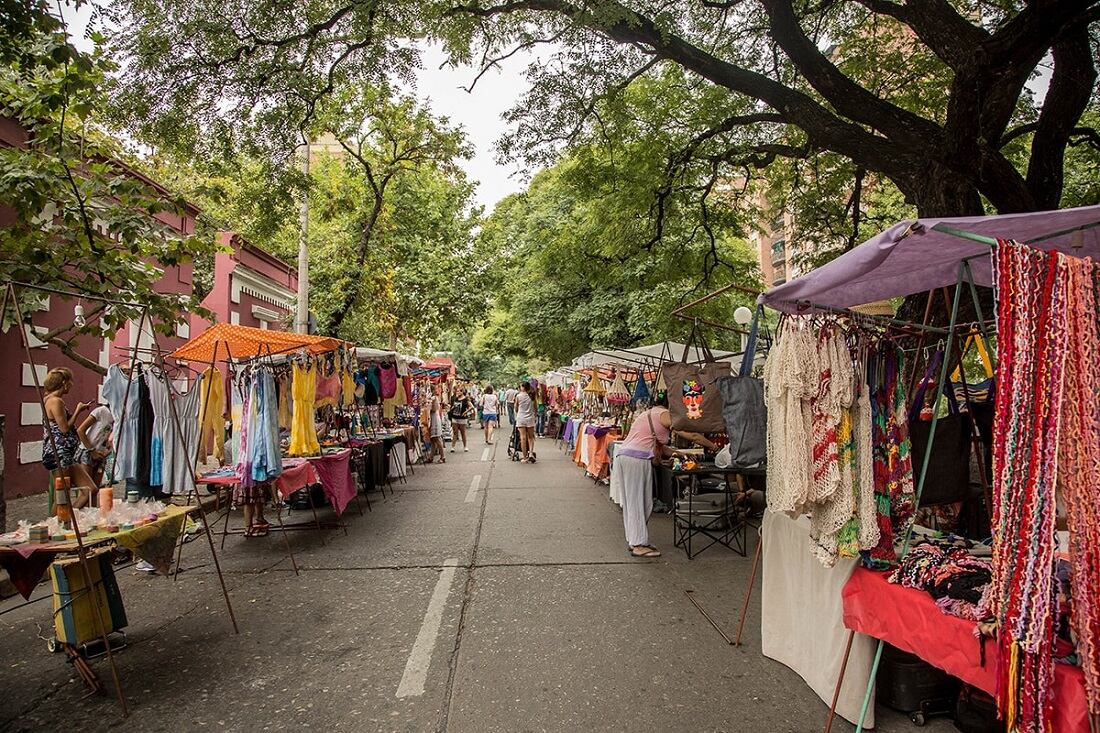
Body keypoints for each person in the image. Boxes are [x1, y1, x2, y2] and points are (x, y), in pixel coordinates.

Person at [611, 394, 717, 558]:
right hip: (637, 459)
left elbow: (660, 447)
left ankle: (637, 541)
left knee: (638, 501)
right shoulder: (663, 414)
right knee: (638, 501)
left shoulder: (648, 414)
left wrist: (680, 454)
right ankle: (638, 544)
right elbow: (692, 435)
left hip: (627, 457)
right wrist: (714, 446)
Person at [40, 368, 97, 506]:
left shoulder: (50, 399)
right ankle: (56, 523)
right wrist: (78, 411)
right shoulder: (55, 401)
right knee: (62, 497)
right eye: (70, 381)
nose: (72, 385)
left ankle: (70, 519)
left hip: (67, 455)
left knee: (90, 489)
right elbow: (64, 429)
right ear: (64, 383)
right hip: (59, 454)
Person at [74, 404, 114, 508]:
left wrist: (107, 451)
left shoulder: (118, 417)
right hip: (87, 452)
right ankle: (74, 516)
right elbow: (80, 431)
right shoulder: (101, 411)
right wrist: (92, 451)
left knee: (95, 491)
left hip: (101, 455)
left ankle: (91, 517)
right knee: (86, 491)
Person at [513, 382, 538, 462]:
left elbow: (516, 409)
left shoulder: (518, 396)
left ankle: (524, 457)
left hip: (521, 418)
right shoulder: (532, 396)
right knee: (531, 437)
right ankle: (530, 453)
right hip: (530, 418)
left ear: (523, 387)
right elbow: (535, 408)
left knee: (523, 438)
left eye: (520, 386)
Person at [427, 395, 447, 463]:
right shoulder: (432, 398)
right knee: (433, 440)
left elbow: (434, 409)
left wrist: (427, 406)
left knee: (437, 438)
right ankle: (431, 457)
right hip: (433, 419)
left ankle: (443, 456)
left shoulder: (434, 398)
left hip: (435, 420)